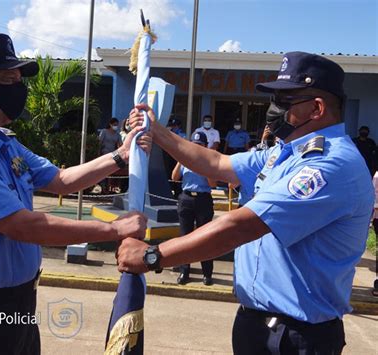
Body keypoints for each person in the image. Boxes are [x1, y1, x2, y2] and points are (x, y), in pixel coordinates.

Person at [118, 51, 374, 354]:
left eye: (284, 101)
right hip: (258, 324)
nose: (274, 110)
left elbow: (240, 227)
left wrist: (152, 256)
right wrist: (157, 131)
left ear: (316, 108)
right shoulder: (285, 153)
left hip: (296, 337)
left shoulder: (330, 165)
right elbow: (216, 162)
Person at [0, 33, 151, 355]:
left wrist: (120, 155)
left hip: (15, 309)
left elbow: (61, 179)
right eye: (8, 79)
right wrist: (113, 229)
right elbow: (22, 226)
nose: (18, 88)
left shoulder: (2, 141)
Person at [172, 131, 217, 286]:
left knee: (205, 237)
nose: (197, 147)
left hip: (203, 199)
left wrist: (205, 167)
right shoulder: (186, 160)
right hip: (186, 198)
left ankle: (207, 273)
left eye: (200, 145)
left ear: (205, 146)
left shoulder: (208, 161)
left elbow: (213, 184)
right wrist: (181, 158)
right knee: (185, 236)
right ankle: (184, 271)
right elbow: (174, 177)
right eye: (195, 144)